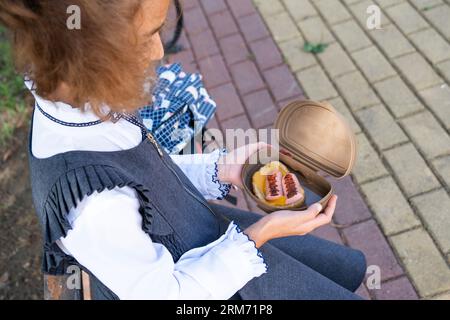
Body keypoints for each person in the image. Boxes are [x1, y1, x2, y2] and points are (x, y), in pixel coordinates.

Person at [0, 0, 366, 300]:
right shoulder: (93, 206)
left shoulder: (74, 99)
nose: (159, 51)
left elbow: (142, 179)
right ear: (91, 50)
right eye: (149, 35)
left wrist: (222, 169)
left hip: (205, 247)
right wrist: (262, 233)